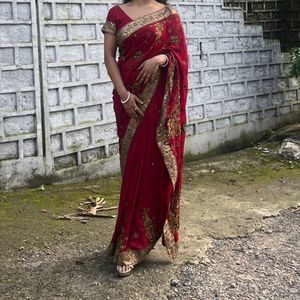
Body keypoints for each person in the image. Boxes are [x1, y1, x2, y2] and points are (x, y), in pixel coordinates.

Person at [101, 0, 188, 277]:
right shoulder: (116, 13)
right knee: (133, 170)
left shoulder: (169, 13)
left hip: (158, 105)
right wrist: (125, 95)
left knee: (153, 168)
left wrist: (161, 59)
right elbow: (109, 58)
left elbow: (180, 55)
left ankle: (136, 243)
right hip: (130, 102)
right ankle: (125, 239)